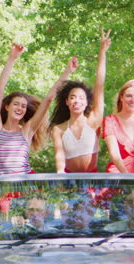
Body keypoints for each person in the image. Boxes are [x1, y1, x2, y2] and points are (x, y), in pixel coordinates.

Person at [0, 43, 78, 175]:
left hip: (26, 185)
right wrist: (12, 59)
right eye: (16, 104)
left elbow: (48, 99)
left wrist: (67, 72)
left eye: (23, 106)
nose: (20, 108)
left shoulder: (27, 131)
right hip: (4, 187)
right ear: (7, 107)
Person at [50, 29, 111, 173]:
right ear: (67, 102)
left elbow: (99, 84)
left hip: (91, 179)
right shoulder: (58, 129)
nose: (77, 101)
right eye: (72, 97)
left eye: (81, 98)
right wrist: (60, 173)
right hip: (69, 179)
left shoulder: (94, 120)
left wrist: (102, 52)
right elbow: (59, 154)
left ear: (86, 103)